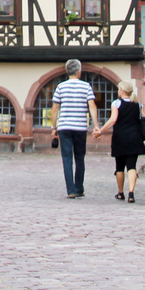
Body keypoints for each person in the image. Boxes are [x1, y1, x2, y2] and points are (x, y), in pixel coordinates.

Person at [50, 59, 98, 198]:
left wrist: (54, 127)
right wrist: (95, 125)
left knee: (66, 158)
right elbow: (92, 106)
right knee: (79, 158)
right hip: (80, 127)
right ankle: (79, 188)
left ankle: (70, 190)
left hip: (65, 127)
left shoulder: (61, 87)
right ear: (78, 71)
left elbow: (55, 108)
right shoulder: (86, 86)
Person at [94, 77, 145, 203]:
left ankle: (120, 192)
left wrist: (101, 131)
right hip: (135, 138)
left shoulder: (116, 104)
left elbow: (113, 120)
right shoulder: (138, 105)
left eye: (119, 89)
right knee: (132, 166)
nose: (118, 91)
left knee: (119, 167)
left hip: (120, 138)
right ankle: (131, 193)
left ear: (122, 91)